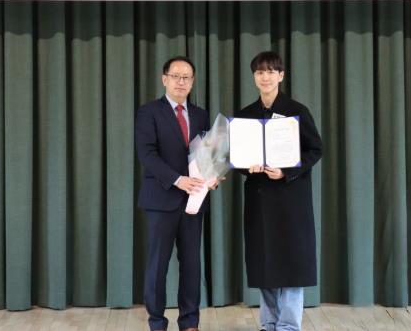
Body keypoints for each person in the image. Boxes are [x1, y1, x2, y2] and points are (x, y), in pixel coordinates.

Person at [235, 51, 323, 331]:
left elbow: (315, 149)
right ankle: (269, 323)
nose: (266, 77)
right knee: (265, 262)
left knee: (292, 262)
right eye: (260, 72)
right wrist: (248, 167)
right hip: (260, 199)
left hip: (290, 198)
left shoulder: (297, 111)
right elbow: (237, 157)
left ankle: (288, 326)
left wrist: (286, 171)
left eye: (271, 71)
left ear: (281, 76)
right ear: (254, 77)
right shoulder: (245, 115)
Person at [135, 56, 218, 331]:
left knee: (192, 265)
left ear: (192, 82)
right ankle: (157, 322)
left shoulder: (201, 114)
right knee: (157, 266)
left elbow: (206, 155)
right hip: (161, 199)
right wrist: (178, 180)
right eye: (176, 76)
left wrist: (212, 177)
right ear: (165, 79)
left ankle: (190, 322)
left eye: (186, 77)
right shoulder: (148, 112)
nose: (181, 82)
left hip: (194, 201)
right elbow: (147, 154)